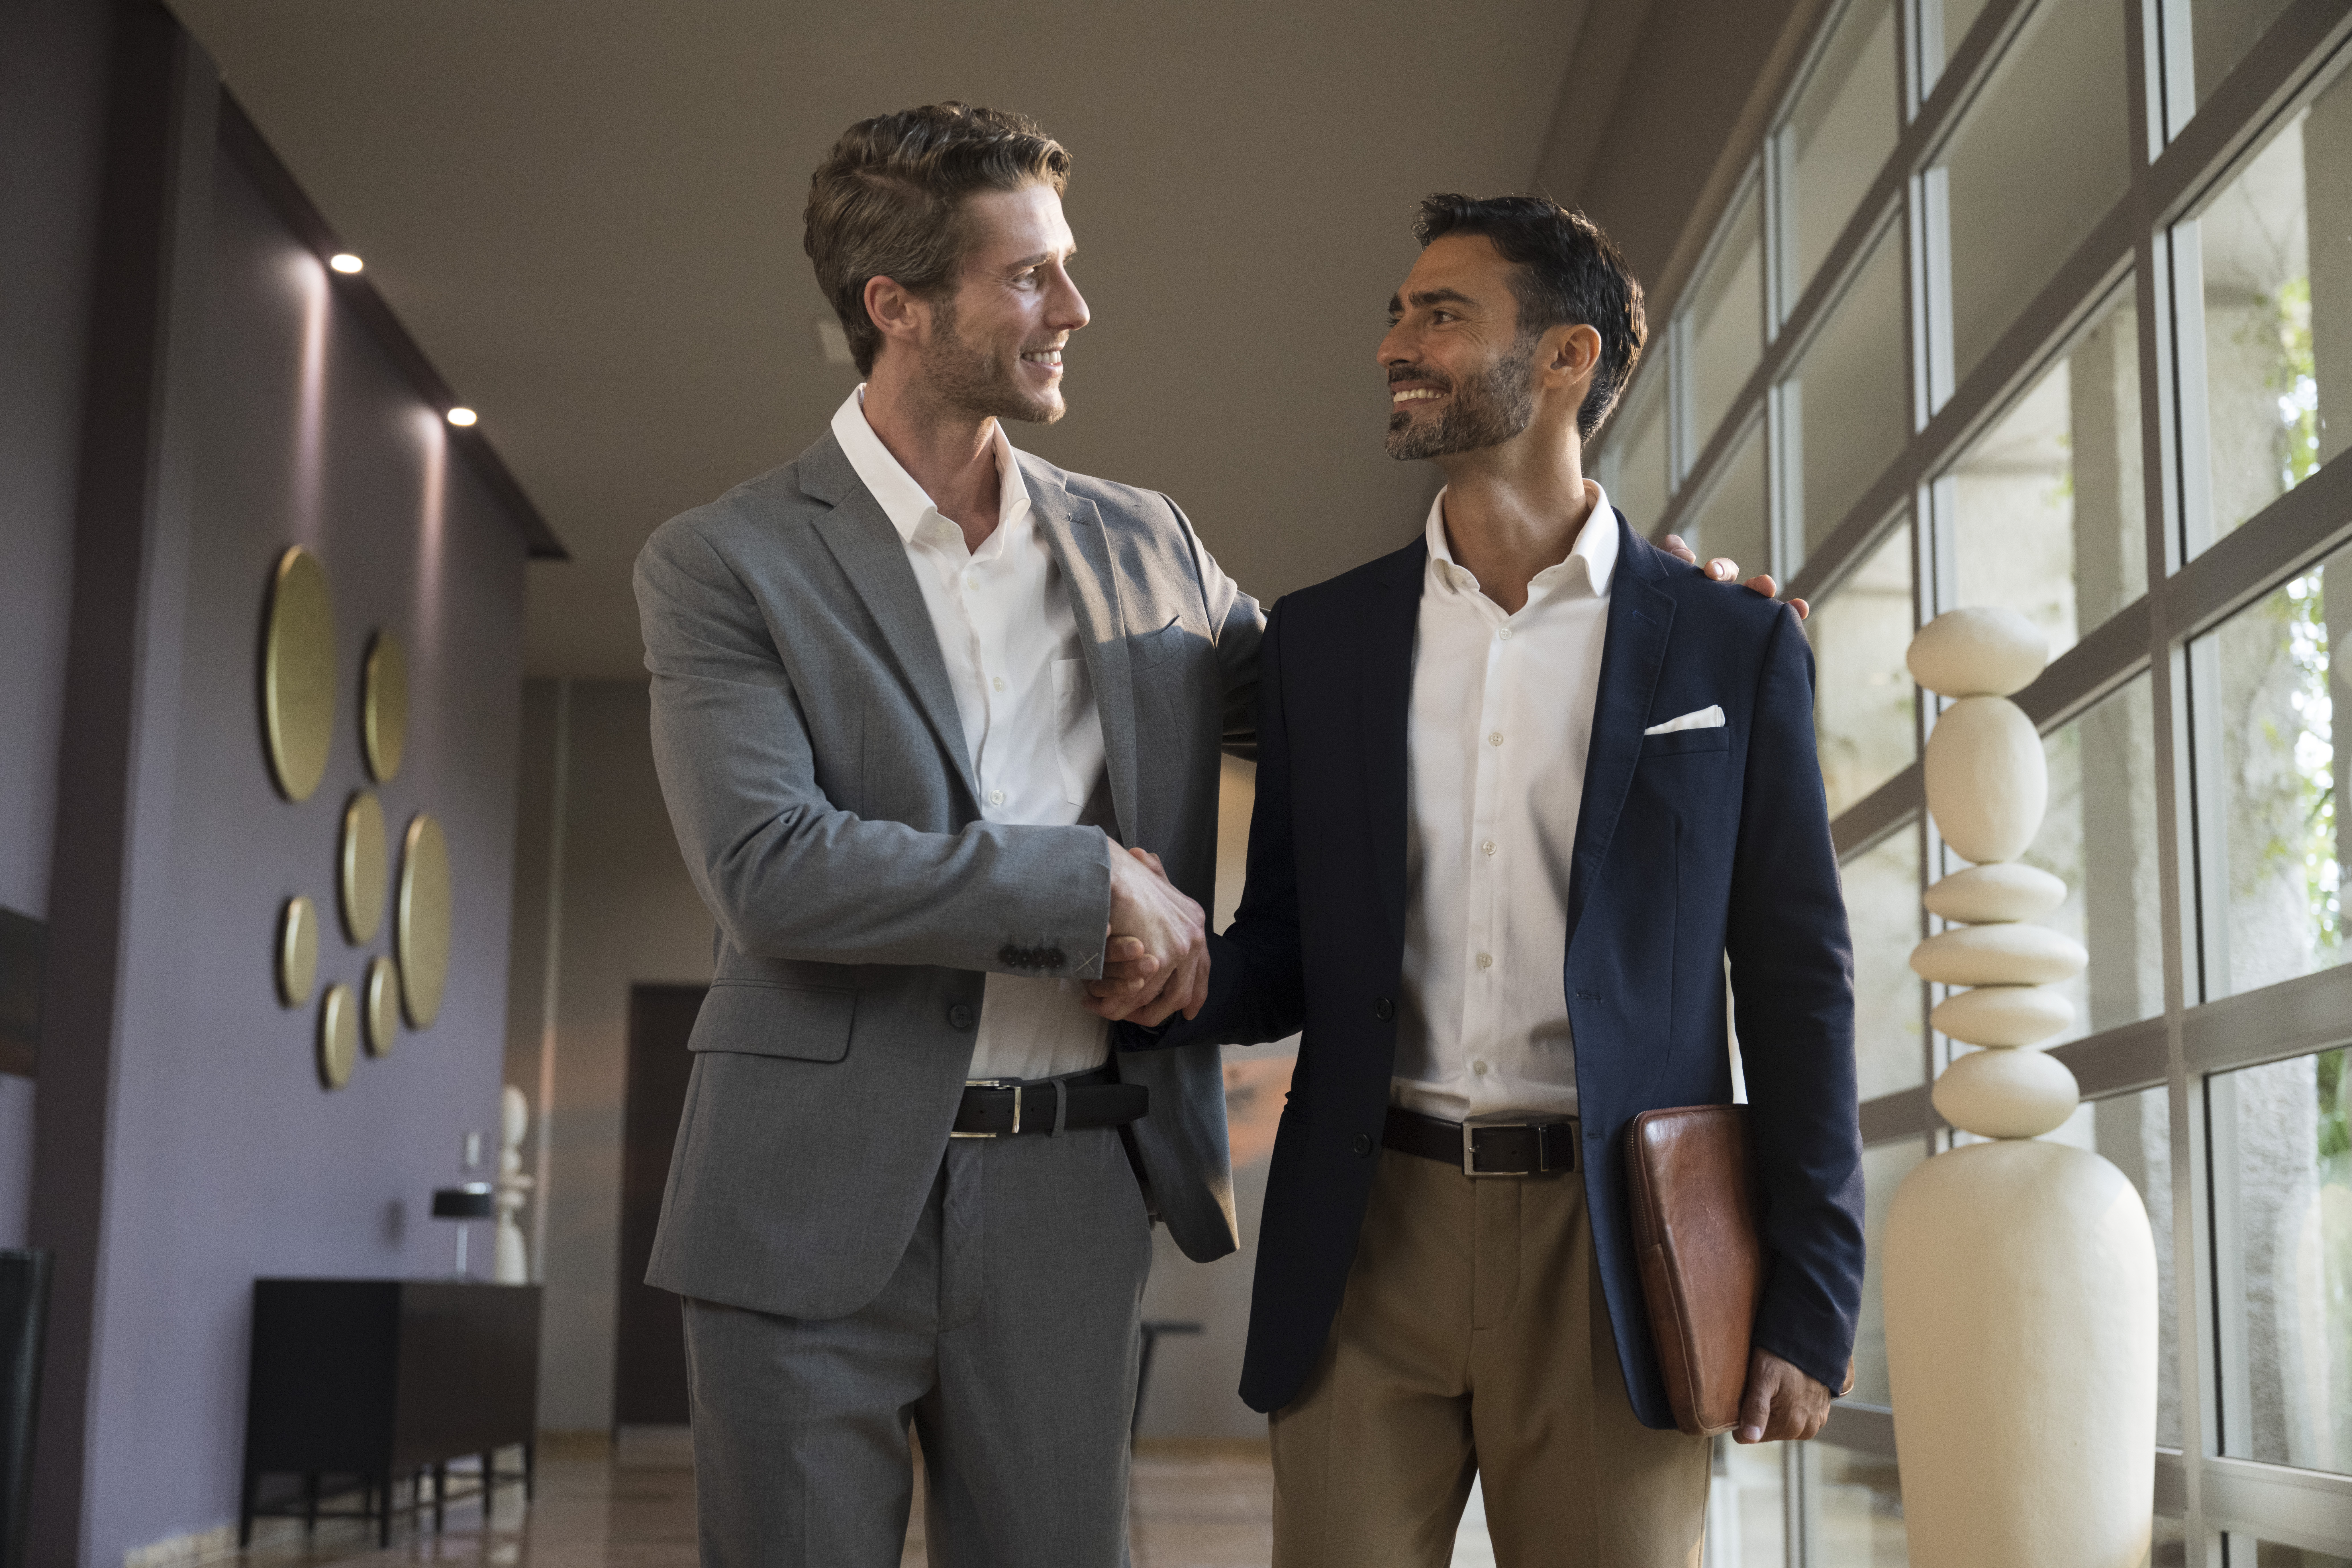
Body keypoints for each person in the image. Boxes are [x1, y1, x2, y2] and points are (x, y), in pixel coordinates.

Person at [1104, 195, 1865, 1567]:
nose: (1397, 342)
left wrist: (1812, 1289)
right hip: (1366, 1231)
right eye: (1399, 313)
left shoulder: (1730, 644)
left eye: (1442, 314)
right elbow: (1289, 944)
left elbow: (1799, 983)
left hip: (1618, 1246)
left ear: (1568, 356)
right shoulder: (1323, 641)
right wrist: (1183, 970)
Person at [631, 102, 1253, 1566]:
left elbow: (1354, 711)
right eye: (1029, 276)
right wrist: (1090, 883)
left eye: (1066, 266)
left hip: (1072, 1189)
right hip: (799, 1195)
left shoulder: (1152, 542)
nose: (1075, 309)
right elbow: (772, 867)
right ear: (895, 306)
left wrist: (1625, 604)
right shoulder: (725, 561)